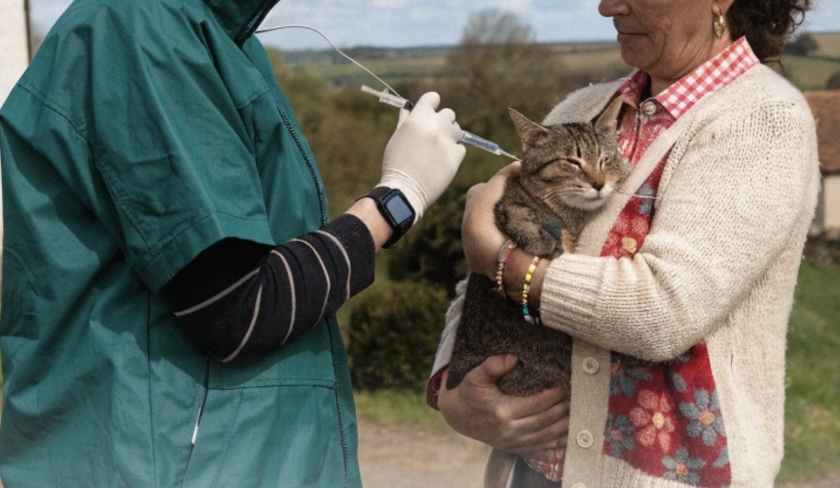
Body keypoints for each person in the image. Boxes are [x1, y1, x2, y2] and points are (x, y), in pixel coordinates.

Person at [0, 0, 466, 486]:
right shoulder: (141, 28)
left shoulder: (221, 40)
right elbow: (238, 308)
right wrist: (395, 201)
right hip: (157, 467)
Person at [427, 0, 820, 487]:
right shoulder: (580, 111)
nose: (606, 6)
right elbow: (481, 284)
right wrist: (454, 387)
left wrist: (500, 260)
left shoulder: (763, 120)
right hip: (530, 473)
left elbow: (663, 308)